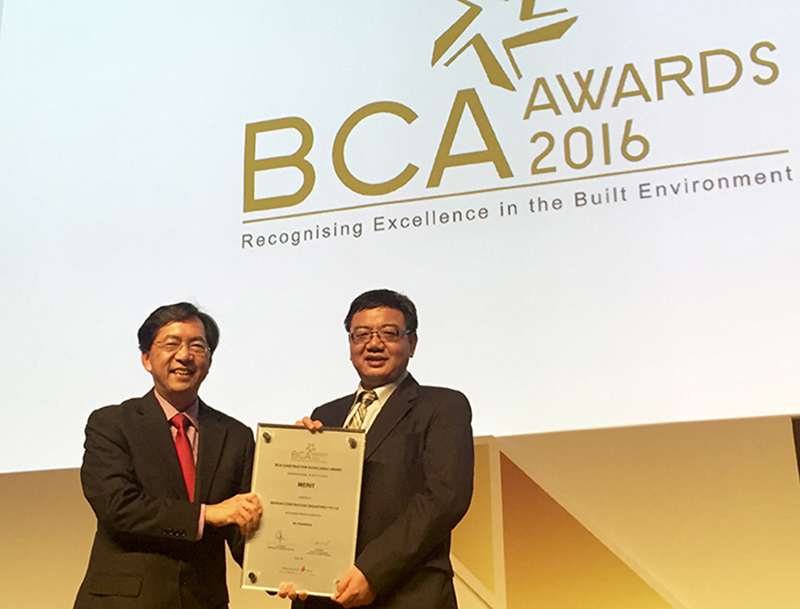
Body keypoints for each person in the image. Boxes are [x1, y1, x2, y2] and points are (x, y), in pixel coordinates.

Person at [287, 289, 474, 609]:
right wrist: (294, 460)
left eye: (389, 333)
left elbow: (445, 498)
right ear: (350, 345)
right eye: (361, 334)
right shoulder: (325, 415)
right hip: (323, 597)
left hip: (406, 594)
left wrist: (371, 572)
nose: (373, 344)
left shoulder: (443, 406)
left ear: (412, 343)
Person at [73, 302, 262, 609]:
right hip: (124, 603)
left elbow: (244, 525)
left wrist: (292, 570)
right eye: (172, 344)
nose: (184, 355)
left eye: (197, 346)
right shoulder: (111, 423)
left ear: (209, 360)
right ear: (146, 358)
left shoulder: (235, 436)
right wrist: (205, 514)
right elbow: (117, 506)